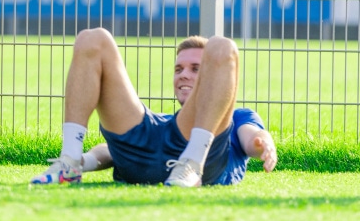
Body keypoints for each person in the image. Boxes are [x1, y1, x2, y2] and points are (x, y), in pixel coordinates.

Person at [31, 28, 278, 187]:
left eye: (196, 69)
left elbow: (251, 139)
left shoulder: (237, 116)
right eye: (179, 69)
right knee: (92, 38)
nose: (184, 75)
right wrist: (85, 160)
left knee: (222, 46)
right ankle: (68, 163)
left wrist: (264, 143)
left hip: (205, 158)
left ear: (214, 74)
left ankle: (191, 165)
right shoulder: (161, 122)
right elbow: (109, 151)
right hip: (143, 154)